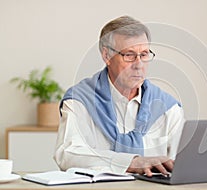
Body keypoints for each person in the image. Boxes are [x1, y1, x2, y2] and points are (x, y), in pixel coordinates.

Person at [54, 16, 185, 177]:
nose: (138, 64)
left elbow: (181, 165)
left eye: (144, 54)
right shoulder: (80, 100)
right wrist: (131, 162)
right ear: (106, 56)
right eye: (129, 55)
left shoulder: (168, 108)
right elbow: (68, 154)